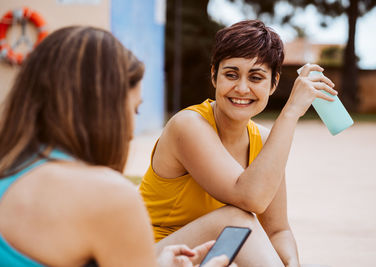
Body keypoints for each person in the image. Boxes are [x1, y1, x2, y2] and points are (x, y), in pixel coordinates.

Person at [0, 26, 231, 267]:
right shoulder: (109, 196)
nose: (131, 131)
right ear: (105, 109)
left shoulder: (9, 171)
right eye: (134, 110)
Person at [139, 20, 337, 267]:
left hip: (201, 257)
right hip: (148, 256)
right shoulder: (188, 125)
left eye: (256, 77)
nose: (242, 88)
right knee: (235, 222)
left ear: (273, 84)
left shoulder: (262, 141)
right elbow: (249, 198)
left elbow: (277, 230)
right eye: (231, 75)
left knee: (241, 236)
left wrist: (292, 263)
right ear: (214, 75)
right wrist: (290, 112)